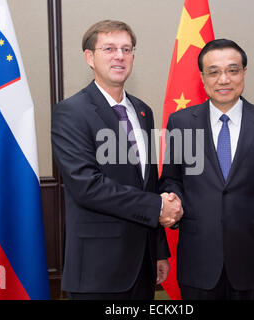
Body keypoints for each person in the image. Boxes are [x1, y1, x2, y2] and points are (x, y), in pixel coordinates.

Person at [51, 20, 183, 300]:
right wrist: (157, 206)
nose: (119, 56)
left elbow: (147, 183)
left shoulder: (143, 111)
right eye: (109, 48)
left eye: (126, 49)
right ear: (89, 57)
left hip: (144, 266)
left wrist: (159, 251)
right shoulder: (71, 112)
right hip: (99, 269)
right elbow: (87, 186)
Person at [159, 39, 254, 300]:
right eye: (214, 71)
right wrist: (171, 199)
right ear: (202, 77)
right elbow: (171, 180)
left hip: (252, 258)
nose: (224, 79)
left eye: (233, 70)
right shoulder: (181, 122)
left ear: (243, 73)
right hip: (198, 258)